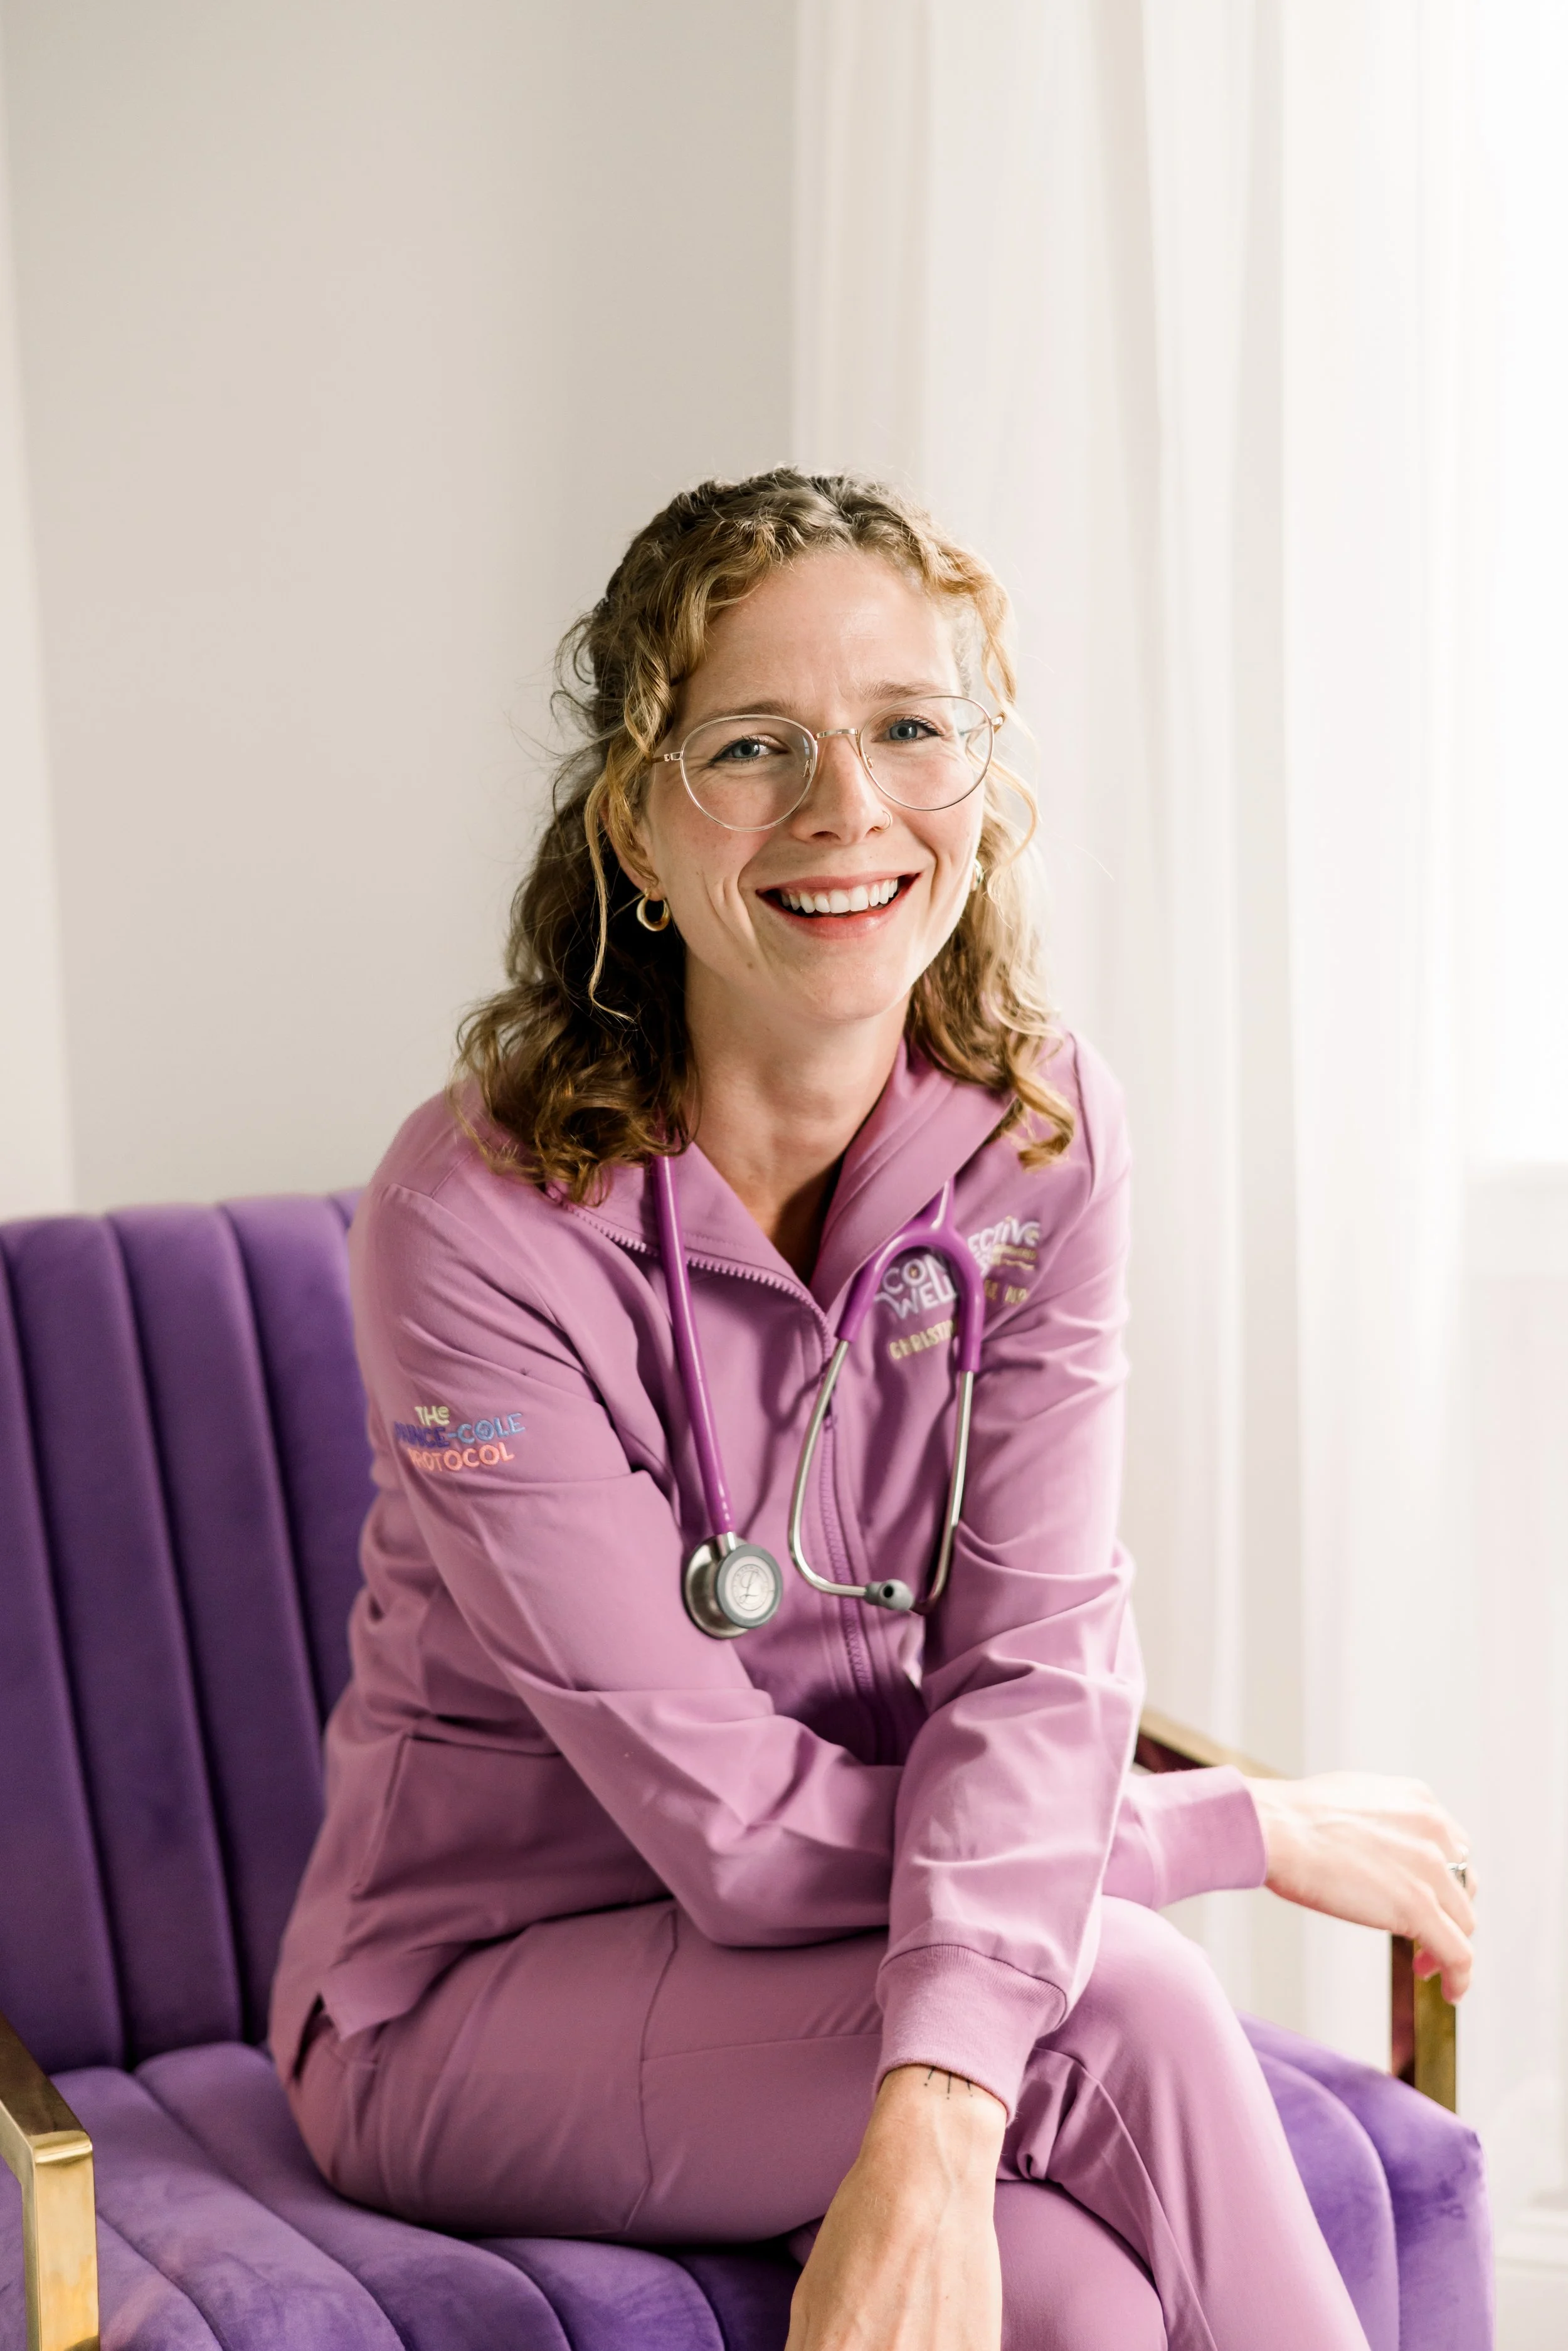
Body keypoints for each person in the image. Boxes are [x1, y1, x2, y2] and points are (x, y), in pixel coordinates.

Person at [270, 470, 1476, 2351]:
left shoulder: (1037, 1135)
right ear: (634, 827)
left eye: (910, 727)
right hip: (468, 2005)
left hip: (856, 1963)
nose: (847, 807)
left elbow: (1036, 1660)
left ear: (981, 779)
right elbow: (733, 1833)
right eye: (753, 745)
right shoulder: (475, 1223)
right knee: (1130, 1999)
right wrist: (1213, 1827)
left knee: (1080, 2310)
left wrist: (939, 2086)